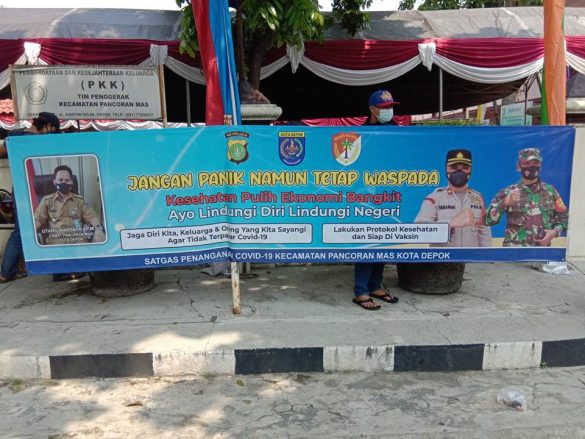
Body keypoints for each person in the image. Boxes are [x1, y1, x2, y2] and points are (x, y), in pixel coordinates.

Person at [352, 89, 400, 311]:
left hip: (391, 194)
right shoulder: (361, 135)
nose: (389, 111)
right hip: (368, 195)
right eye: (384, 108)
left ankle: (375, 286)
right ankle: (361, 290)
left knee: (384, 239)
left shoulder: (399, 133)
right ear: (372, 109)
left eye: (391, 107)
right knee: (368, 240)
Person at [0, 112, 61, 283]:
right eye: (53, 129)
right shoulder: (41, 141)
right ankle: (58, 271)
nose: (53, 133)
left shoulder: (15, 134)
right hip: (37, 188)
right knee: (51, 225)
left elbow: (2, 152)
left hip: (19, 189)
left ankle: (6, 273)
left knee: (21, 231)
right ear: (47, 126)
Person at [482, 147, 568, 247]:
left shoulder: (550, 191)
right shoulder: (508, 192)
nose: (532, 166)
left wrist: (555, 232)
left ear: (540, 165)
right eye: (527, 163)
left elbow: (564, 217)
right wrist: (504, 203)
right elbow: (487, 220)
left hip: (541, 252)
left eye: (535, 163)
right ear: (519, 167)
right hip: (514, 253)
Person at [415, 149, 491, 247]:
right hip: (444, 256)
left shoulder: (478, 198)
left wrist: (486, 255)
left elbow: (484, 233)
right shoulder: (435, 198)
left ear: (470, 170)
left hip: (471, 256)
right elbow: (418, 232)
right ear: (446, 168)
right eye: (454, 167)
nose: (459, 171)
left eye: (464, 168)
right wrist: (451, 223)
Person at [34, 165, 106, 246]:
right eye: (60, 180)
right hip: (56, 241)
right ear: (54, 182)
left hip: (78, 240)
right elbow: (38, 220)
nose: (64, 182)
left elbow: (91, 217)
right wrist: (30, 234)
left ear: (71, 182)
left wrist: (98, 230)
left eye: (67, 180)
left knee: (101, 238)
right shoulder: (47, 201)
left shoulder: (79, 200)